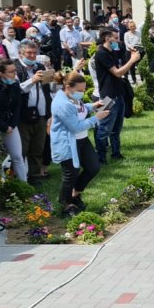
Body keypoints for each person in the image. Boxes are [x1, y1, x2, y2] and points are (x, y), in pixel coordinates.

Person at [51, 72, 110, 215]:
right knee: (70, 173)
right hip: (68, 142)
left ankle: (75, 194)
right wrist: (96, 118)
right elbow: (76, 127)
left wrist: (93, 106)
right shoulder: (62, 104)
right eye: (80, 90)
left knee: (93, 167)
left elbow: (80, 109)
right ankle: (66, 204)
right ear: (68, 87)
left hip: (82, 139)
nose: (82, 93)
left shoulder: (72, 97)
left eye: (84, 89)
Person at [93, 29, 140, 163]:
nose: (118, 41)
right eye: (115, 38)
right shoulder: (101, 53)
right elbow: (118, 73)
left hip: (118, 94)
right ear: (107, 38)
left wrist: (132, 54)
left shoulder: (112, 52)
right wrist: (132, 60)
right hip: (107, 96)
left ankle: (116, 153)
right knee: (104, 128)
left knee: (116, 128)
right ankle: (100, 157)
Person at [15, 40, 52, 179]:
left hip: (41, 114)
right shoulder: (15, 67)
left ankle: (35, 175)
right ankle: (19, 178)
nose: (32, 56)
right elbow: (15, 90)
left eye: (34, 53)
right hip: (23, 115)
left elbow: (47, 90)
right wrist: (32, 80)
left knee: (38, 147)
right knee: (23, 148)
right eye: (28, 53)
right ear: (21, 53)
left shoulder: (39, 66)